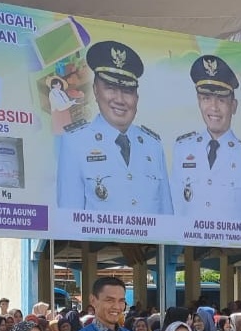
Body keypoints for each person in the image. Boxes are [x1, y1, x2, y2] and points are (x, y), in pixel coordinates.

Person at [56, 40, 172, 214]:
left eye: (127, 91)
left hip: (149, 242)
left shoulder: (152, 145)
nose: (119, 99)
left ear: (137, 97)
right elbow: (69, 219)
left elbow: (167, 216)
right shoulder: (75, 143)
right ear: (96, 90)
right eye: (110, 88)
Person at [171, 54, 241, 221]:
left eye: (221, 100)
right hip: (188, 246)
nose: (213, 108)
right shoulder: (182, 149)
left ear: (233, 106)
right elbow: (175, 210)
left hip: (230, 247)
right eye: (206, 98)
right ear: (199, 102)